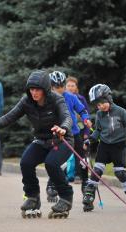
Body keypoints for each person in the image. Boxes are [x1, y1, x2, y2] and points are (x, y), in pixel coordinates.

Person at [0, 70, 74, 219]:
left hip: (61, 139)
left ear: (45, 89)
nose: (34, 93)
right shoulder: (26, 101)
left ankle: (66, 197)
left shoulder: (56, 99)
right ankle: (32, 197)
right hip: (41, 140)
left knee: (51, 164)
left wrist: (63, 128)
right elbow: (9, 117)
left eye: (37, 90)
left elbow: (67, 117)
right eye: (31, 89)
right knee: (26, 162)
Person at [83, 84, 126, 212]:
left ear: (109, 98)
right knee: (97, 170)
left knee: (120, 172)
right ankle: (89, 195)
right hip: (104, 145)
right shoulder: (99, 114)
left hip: (119, 146)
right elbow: (98, 130)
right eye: (98, 105)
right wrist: (90, 139)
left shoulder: (121, 111)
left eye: (102, 103)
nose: (101, 106)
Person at [46, 71, 92, 203]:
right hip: (58, 134)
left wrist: (85, 119)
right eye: (55, 87)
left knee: (82, 160)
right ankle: (51, 185)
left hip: (74, 132)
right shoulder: (48, 98)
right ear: (50, 87)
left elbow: (82, 110)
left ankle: (85, 184)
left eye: (61, 86)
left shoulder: (70, 97)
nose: (59, 89)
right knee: (57, 161)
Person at [66, 76, 90, 184]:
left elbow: (86, 114)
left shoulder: (81, 99)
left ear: (76, 87)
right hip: (66, 129)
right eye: (69, 85)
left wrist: (86, 132)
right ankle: (65, 175)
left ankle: (78, 175)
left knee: (79, 154)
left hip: (79, 130)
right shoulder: (62, 98)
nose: (71, 88)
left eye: (73, 85)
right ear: (65, 87)